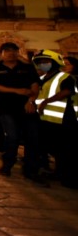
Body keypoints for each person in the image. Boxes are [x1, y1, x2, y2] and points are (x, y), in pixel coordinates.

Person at [0, 42, 47, 186]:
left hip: (27, 108)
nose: (11, 53)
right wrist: (16, 91)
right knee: (12, 136)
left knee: (32, 138)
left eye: (14, 50)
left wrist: (31, 101)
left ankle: (31, 170)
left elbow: (35, 87)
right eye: (7, 51)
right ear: (1, 54)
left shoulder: (27, 69)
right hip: (6, 108)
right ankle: (8, 163)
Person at [33, 50, 75, 180]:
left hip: (63, 118)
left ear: (55, 62)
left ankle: (67, 175)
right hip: (46, 118)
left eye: (46, 61)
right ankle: (58, 171)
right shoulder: (41, 78)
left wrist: (47, 101)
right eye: (40, 62)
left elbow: (67, 91)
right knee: (53, 148)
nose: (42, 64)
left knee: (64, 149)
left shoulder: (64, 77)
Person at [59, 56, 78, 188]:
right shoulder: (61, 78)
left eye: (67, 64)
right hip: (64, 115)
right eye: (63, 64)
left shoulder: (73, 79)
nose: (65, 66)